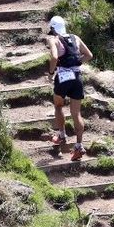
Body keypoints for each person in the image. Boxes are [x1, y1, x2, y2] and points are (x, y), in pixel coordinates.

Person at [47, 16, 93, 161]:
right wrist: (77, 62)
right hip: (77, 78)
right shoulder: (75, 38)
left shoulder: (53, 39)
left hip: (63, 78)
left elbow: (54, 57)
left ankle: (61, 135)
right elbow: (89, 55)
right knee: (76, 113)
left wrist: (51, 72)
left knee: (59, 106)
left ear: (53, 28)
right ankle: (79, 146)